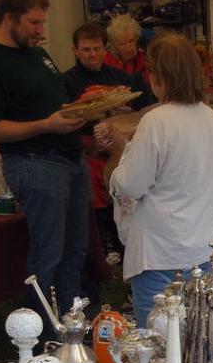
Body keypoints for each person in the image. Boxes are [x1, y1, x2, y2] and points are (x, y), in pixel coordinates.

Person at [0, 0, 86, 333]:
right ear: (9, 19)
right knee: (49, 254)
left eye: (42, 22)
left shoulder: (38, 54)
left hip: (69, 159)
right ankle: (41, 336)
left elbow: (59, 102)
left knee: (75, 251)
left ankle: (72, 327)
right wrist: (46, 125)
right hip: (35, 163)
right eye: (34, 23)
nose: (40, 31)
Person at [106, 32, 213, 327]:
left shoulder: (157, 121)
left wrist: (122, 154)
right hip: (207, 249)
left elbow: (131, 185)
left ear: (160, 76)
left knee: (162, 349)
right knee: (204, 338)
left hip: (163, 252)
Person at [64, 23, 156, 305]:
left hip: (120, 157)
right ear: (75, 51)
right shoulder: (66, 82)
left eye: (97, 48)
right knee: (96, 221)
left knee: (124, 217)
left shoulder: (120, 78)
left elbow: (147, 105)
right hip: (88, 160)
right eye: (86, 49)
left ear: (106, 49)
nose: (92, 54)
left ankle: (130, 274)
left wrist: (127, 113)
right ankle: (95, 277)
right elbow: (65, 123)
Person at [105, 14, 151, 85]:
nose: (128, 47)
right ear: (114, 45)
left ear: (137, 39)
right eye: (122, 44)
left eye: (131, 41)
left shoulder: (145, 59)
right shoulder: (106, 63)